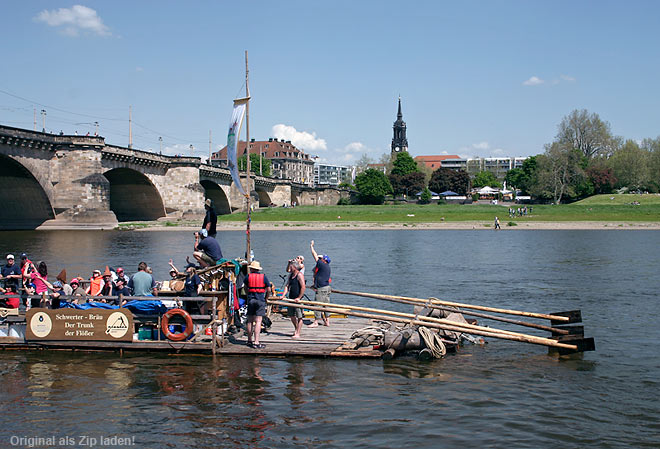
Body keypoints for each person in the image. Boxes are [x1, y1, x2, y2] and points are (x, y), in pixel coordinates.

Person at [244, 260, 272, 349]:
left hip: (251, 300)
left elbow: (245, 287)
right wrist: (266, 298)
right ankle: (256, 342)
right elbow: (269, 289)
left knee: (250, 320)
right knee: (258, 321)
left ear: (251, 269)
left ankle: (249, 340)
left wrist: (248, 294)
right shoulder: (263, 277)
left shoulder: (248, 276)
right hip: (260, 300)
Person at [309, 240, 331, 327]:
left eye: (322, 259)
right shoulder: (327, 267)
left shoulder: (323, 265)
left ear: (324, 261)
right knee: (326, 305)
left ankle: (316, 322)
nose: (320, 260)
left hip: (322, 288)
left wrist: (311, 247)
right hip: (327, 287)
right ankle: (327, 321)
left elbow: (314, 256)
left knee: (317, 304)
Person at [282, 260, 306, 339]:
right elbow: (287, 286)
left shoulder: (299, 275)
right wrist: (283, 295)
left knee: (299, 316)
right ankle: (296, 329)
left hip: (298, 299)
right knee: (291, 315)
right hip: (291, 298)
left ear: (294, 267)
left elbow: (303, 287)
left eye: (291, 266)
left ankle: (297, 333)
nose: (290, 268)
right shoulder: (291, 275)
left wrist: (299, 297)